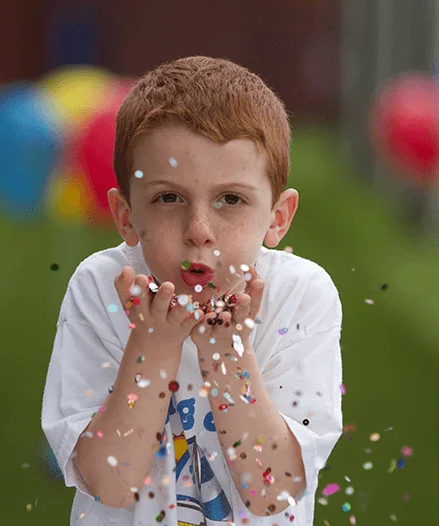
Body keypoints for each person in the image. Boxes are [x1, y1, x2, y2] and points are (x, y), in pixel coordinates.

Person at [41, 56, 343, 525]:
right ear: (126, 217)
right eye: (169, 198)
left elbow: (273, 490)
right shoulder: (102, 288)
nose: (199, 230)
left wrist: (227, 351)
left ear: (278, 218)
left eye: (231, 199)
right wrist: (153, 344)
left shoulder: (301, 296)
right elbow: (110, 484)